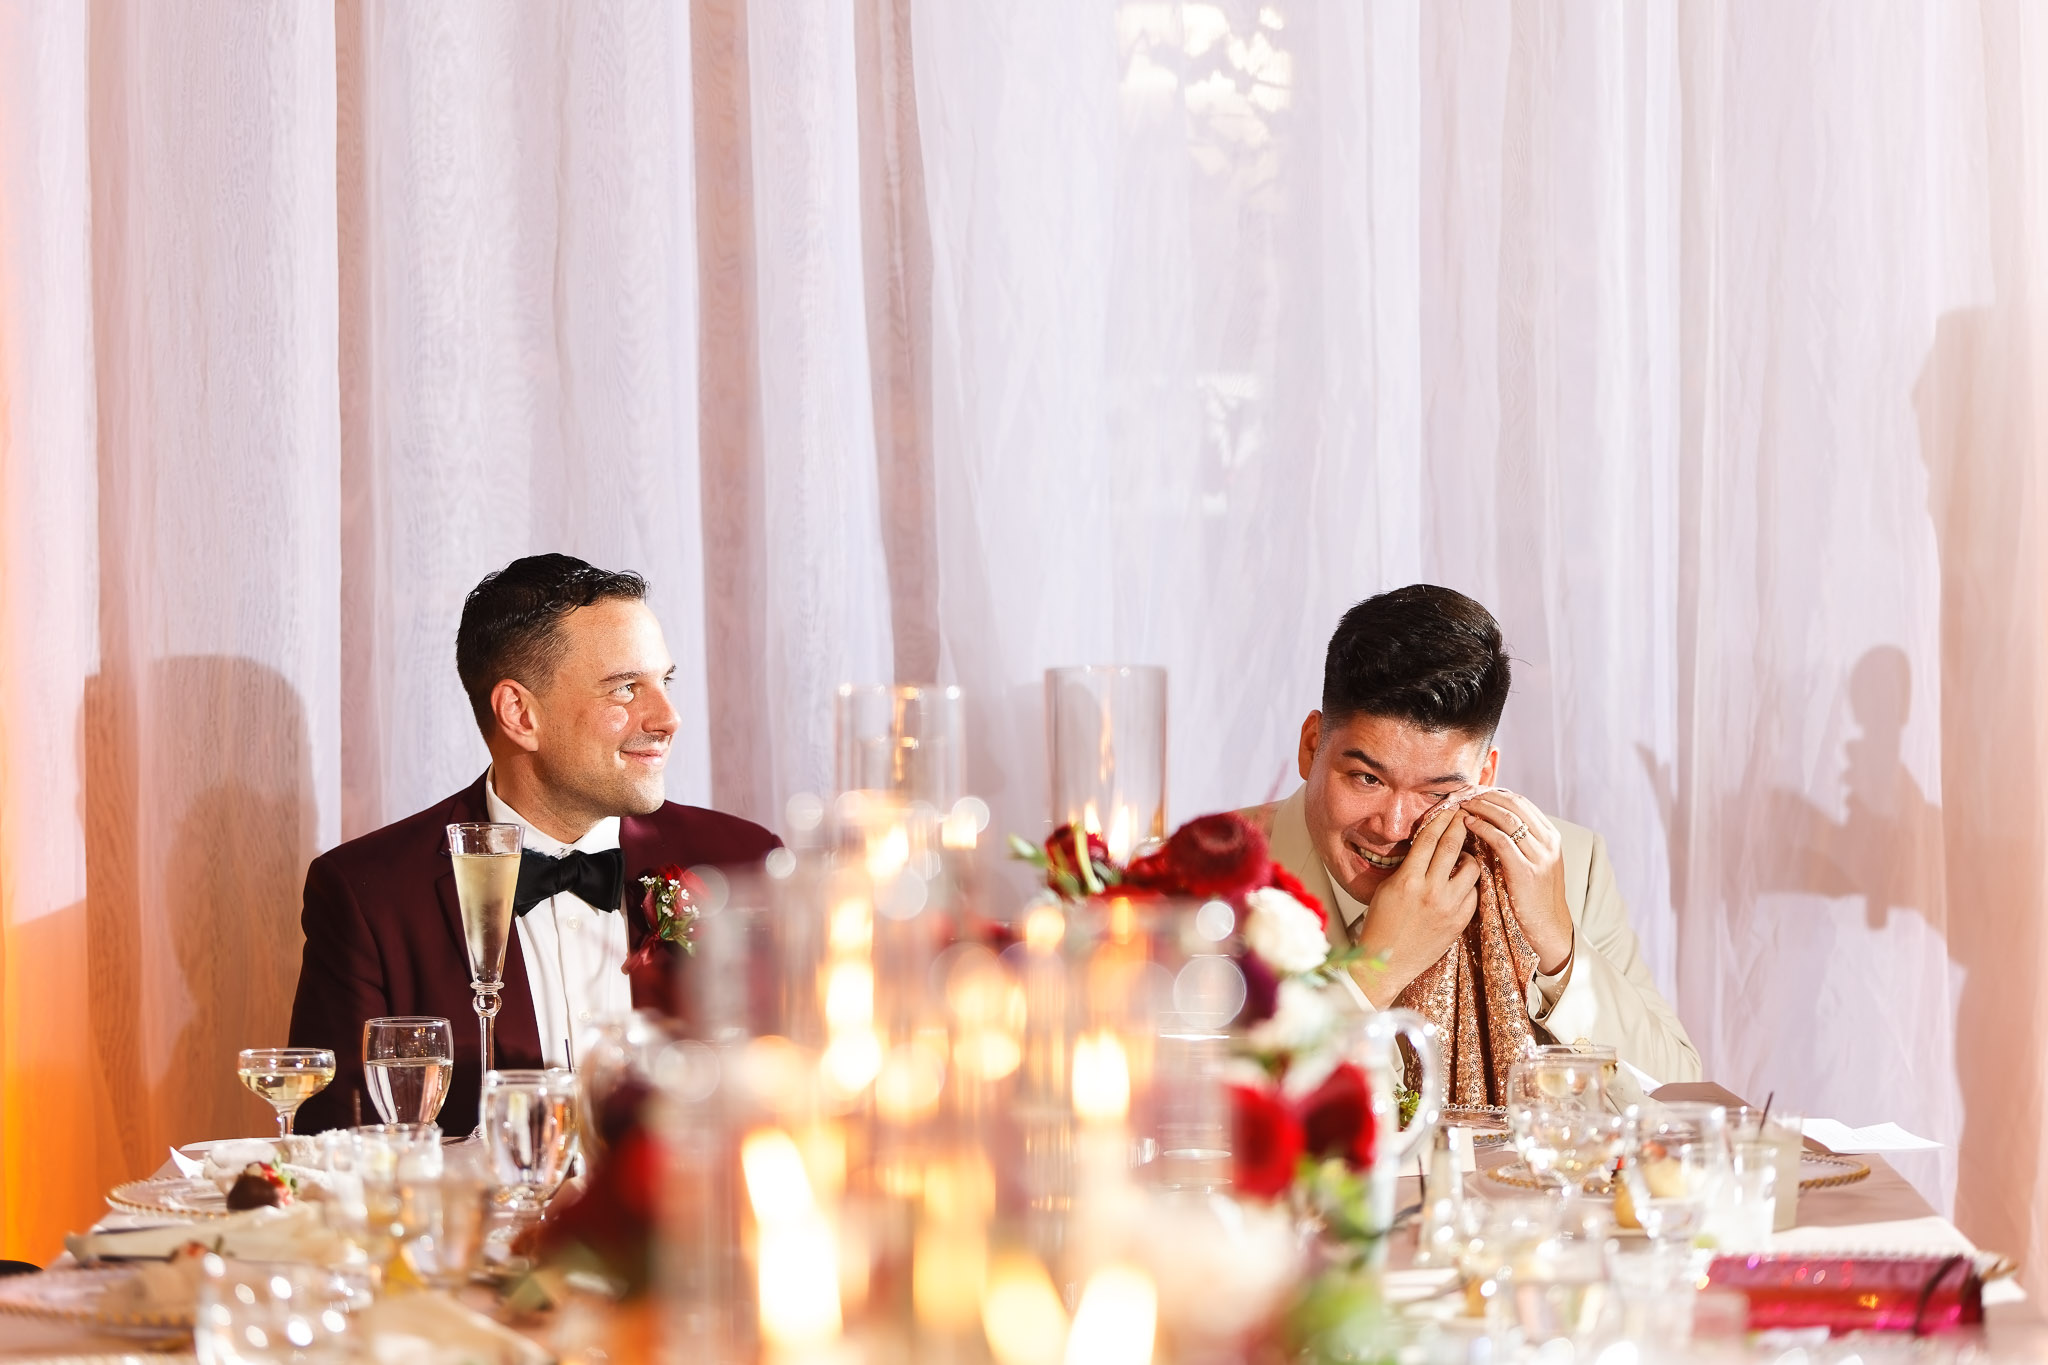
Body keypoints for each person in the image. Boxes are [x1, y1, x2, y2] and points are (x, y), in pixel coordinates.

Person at [288, 555, 778, 1133]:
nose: (667, 717)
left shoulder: (746, 864)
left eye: (663, 681)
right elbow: (338, 1154)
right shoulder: (369, 895)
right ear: (520, 713)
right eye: (626, 687)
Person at [1249, 584, 1701, 1088]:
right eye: (1367, 779)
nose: (1394, 827)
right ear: (1312, 747)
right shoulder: (1206, 873)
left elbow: (1676, 1096)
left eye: (1435, 791)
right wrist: (1377, 969)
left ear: (1485, 775)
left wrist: (1556, 944)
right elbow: (1192, 1115)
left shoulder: (1570, 865)